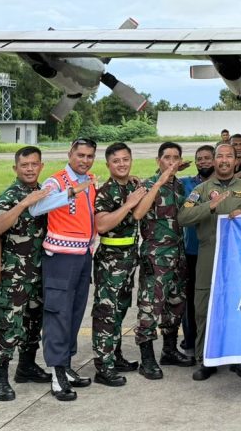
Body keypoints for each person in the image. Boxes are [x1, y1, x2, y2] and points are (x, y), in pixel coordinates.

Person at [179, 142, 241, 381]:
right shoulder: (201, 190)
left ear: (236, 160)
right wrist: (209, 206)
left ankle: (239, 358)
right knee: (204, 308)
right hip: (208, 254)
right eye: (220, 156)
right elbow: (183, 217)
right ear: (214, 161)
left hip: (238, 258)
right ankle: (205, 358)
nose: (224, 160)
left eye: (229, 156)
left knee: (238, 306)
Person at [28, 137, 99, 401]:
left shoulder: (89, 180)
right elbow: (36, 207)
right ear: (70, 154)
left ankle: (66, 364)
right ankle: (56, 371)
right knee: (58, 313)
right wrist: (70, 192)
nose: (85, 160)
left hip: (83, 256)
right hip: (60, 258)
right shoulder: (56, 181)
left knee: (74, 313)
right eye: (80, 155)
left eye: (89, 156)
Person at [0, 146, 51, 401]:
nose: (30, 169)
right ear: (16, 168)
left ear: (41, 166)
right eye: (24, 165)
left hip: (40, 272)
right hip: (14, 275)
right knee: (9, 324)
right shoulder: (9, 196)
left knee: (34, 322)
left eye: (34, 164)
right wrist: (24, 203)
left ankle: (26, 366)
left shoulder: (46, 193)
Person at [131, 142, 193, 379]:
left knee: (175, 304)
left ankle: (169, 350)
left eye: (176, 158)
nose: (171, 162)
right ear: (158, 161)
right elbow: (138, 213)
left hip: (177, 254)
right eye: (167, 157)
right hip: (156, 256)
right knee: (150, 307)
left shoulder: (179, 186)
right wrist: (158, 182)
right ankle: (146, 359)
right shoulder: (147, 185)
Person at [91, 143, 147, 387]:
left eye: (125, 159)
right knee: (106, 313)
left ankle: (115, 356)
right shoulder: (105, 192)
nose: (122, 164)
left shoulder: (133, 185)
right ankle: (103, 367)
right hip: (110, 262)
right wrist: (128, 204)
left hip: (128, 260)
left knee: (120, 310)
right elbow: (102, 225)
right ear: (108, 165)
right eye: (116, 161)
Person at [179, 144, 215, 361]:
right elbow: (158, 183)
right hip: (192, 250)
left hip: (219, 252)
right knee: (192, 300)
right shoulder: (186, 183)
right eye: (199, 159)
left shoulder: (225, 186)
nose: (203, 162)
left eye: (207, 158)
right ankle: (191, 342)